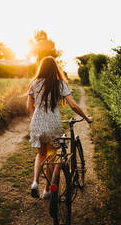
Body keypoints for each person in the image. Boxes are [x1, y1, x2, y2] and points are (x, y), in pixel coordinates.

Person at [27, 56, 92, 199]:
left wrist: (39, 116)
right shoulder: (60, 84)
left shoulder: (34, 83)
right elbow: (73, 105)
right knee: (51, 157)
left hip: (37, 123)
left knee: (40, 154)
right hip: (53, 124)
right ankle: (47, 191)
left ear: (41, 68)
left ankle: (35, 183)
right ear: (55, 68)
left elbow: (29, 106)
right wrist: (86, 118)